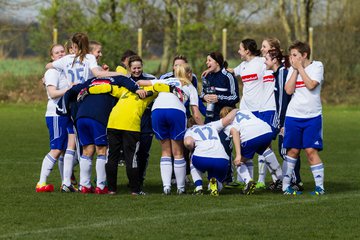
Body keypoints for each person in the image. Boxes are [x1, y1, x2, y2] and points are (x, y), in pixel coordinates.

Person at [57, 75, 146, 194]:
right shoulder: (118, 79)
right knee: (102, 150)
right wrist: (137, 89)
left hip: (81, 116)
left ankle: (85, 185)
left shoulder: (91, 81)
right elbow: (129, 82)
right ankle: (101, 185)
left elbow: (73, 90)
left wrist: (62, 108)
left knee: (87, 151)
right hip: (98, 116)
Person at [137, 63, 203, 195]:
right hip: (175, 111)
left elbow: (140, 82)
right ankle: (180, 188)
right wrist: (204, 128)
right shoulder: (190, 86)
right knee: (178, 152)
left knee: (165, 151)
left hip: (157, 112)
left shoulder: (164, 80)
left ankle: (166, 187)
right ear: (189, 74)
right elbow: (195, 113)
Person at [282, 41, 325, 195]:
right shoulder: (291, 70)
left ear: (304, 55)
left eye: (294, 55)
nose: (291, 58)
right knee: (292, 151)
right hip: (293, 116)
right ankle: (285, 186)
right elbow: (288, 90)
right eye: (290, 56)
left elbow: (311, 85)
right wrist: (295, 70)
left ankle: (320, 187)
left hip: (312, 117)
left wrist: (300, 68)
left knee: (310, 151)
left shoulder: (317, 66)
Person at [36, 44, 77, 193]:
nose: (60, 54)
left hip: (67, 113)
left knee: (69, 147)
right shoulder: (52, 71)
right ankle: (41, 183)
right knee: (57, 148)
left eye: (62, 51)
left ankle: (66, 183)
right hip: (56, 114)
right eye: (56, 53)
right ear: (52, 57)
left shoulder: (66, 69)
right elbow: (53, 93)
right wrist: (71, 88)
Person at [264, 48, 303, 191]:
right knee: (286, 150)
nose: (265, 61)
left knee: (285, 150)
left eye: (267, 58)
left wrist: (281, 123)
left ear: (274, 60)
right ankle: (293, 180)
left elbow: (282, 101)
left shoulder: (281, 73)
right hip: (284, 118)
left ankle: (294, 181)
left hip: (286, 119)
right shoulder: (277, 74)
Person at [201, 51, 240, 188]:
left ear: (217, 62)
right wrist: (204, 97)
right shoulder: (207, 76)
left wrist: (219, 98)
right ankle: (213, 178)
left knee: (225, 146)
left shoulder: (228, 76)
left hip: (225, 117)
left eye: (209, 60)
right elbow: (202, 94)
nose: (207, 63)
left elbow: (235, 98)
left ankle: (228, 179)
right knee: (210, 146)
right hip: (210, 117)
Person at [231, 39, 265, 187]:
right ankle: (246, 179)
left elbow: (277, 64)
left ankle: (262, 180)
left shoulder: (261, 62)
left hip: (260, 108)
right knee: (245, 144)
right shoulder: (243, 65)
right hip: (245, 109)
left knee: (263, 145)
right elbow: (232, 71)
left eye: (240, 49)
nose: (238, 51)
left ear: (247, 51)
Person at [221, 107, 275, 195]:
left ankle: (248, 181)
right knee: (261, 152)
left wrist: (238, 155)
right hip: (266, 130)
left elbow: (235, 134)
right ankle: (279, 178)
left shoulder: (228, 124)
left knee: (239, 161)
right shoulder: (245, 111)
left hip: (251, 137)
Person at [184, 108, 237, 196]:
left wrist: (192, 148)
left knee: (192, 158)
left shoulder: (190, 130)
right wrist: (235, 110)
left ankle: (198, 187)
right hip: (222, 159)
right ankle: (215, 183)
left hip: (201, 158)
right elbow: (228, 119)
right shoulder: (212, 125)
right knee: (218, 180)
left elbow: (188, 143)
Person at [254, 38, 283, 190]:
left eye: (264, 46)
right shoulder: (265, 65)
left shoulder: (280, 68)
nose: (262, 48)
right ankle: (276, 179)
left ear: (273, 49)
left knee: (264, 143)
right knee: (264, 145)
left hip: (272, 109)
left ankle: (281, 178)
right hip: (262, 109)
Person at [46, 32, 125, 85]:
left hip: (72, 95)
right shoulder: (89, 57)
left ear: (73, 46)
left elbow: (48, 65)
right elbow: (98, 74)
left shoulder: (66, 59)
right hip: (83, 96)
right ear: (86, 45)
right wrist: (120, 74)